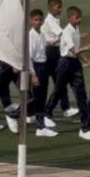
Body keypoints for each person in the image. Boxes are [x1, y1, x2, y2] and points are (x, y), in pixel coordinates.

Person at [46, 5, 90, 138]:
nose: (79, 20)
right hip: (65, 63)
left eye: (80, 17)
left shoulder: (76, 29)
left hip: (74, 62)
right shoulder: (67, 31)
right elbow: (73, 49)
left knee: (81, 92)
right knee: (59, 89)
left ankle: (85, 121)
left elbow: (75, 49)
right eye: (77, 17)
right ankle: (47, 112)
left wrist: (83, 59)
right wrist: (87, 58)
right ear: (70, 18)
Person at [40, 0, 73, 119]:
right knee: (58, 80)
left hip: (54, 51)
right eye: (58, 7)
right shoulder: (50, 20)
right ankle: (60, 107)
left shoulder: (54, 19)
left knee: (59, 80)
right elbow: (62, 34)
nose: (60, 9)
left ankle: (64, 106)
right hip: (51, 52)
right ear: (51, 7)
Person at [27, 9, 58, 137]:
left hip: (43, 66)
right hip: (36, 67)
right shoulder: (31, 36)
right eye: (36, 20)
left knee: (41, 97)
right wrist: (33, 75)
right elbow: (29, 57)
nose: (38, 22)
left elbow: (45, 44)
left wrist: (54, 41)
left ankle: (40, 125)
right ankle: (16, 115)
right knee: (37, 97)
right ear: (31, 21)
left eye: (40, 20)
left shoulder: (41, 34)